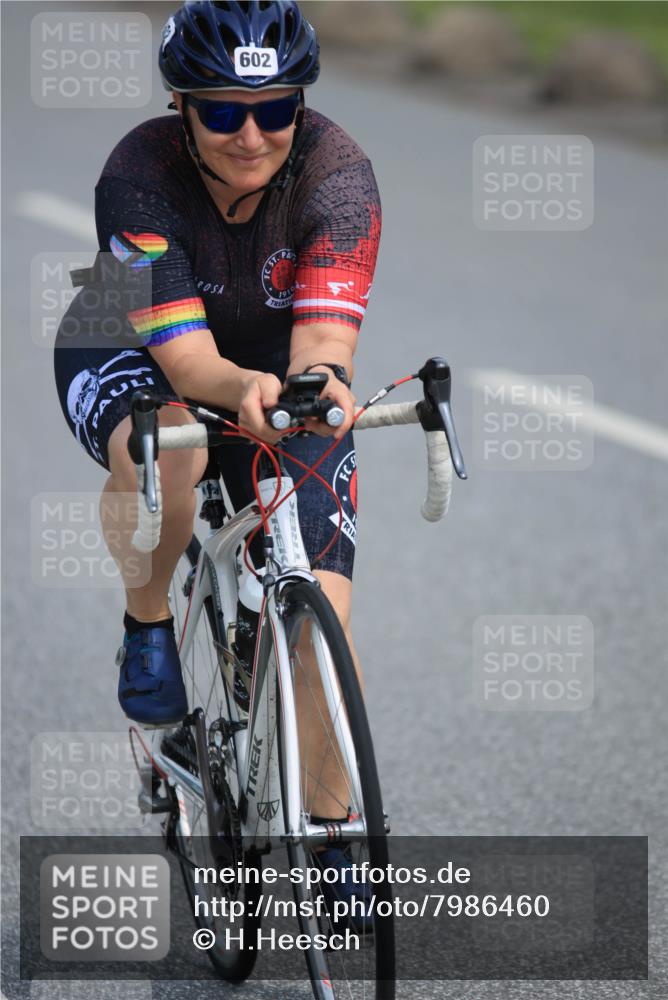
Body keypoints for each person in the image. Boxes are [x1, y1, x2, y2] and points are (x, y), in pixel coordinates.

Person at [53, 0, 381, 870]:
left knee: (321, 623)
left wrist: (317, 387)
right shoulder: (138, 175)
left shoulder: (339, 175)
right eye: (224, 112)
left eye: (275, 109)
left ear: (300, 106)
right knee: (177, 446)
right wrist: (242, 392)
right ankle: (148, 620)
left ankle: (334, 842)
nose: (251, 135)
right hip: (135, 346)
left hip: (270, 360)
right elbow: (191, 364)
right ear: (182, 106)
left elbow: (325, 340)